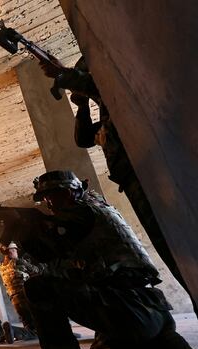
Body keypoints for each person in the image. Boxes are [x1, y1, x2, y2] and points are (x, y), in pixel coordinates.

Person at [40, 57, 197, 317]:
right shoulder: (107, 115)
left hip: (155, 177)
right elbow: (83, 139)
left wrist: (67, 76)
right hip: (135, 182)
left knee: (184, 246)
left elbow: (102, 89)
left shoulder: (120, 98)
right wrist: (82, 106)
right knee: (175, 255)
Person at [24, 170, 198, 349]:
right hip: (150, 310)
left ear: (68, 193)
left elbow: (46, 252)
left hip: (127, 309)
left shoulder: (80, 214)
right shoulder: (99, 209)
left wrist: (24, 230)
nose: (49, 204)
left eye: (51, 197)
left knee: (38, 287)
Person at [0, 242, 38, 341]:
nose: (16, 252)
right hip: (25, 295)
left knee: (27, 324)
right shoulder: (18, 262)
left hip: (14, 298)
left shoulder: (1, 266)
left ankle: (9, 332)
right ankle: (14, 330)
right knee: (37, 329)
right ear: (11, 251)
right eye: (15, 250)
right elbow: (36, 270)